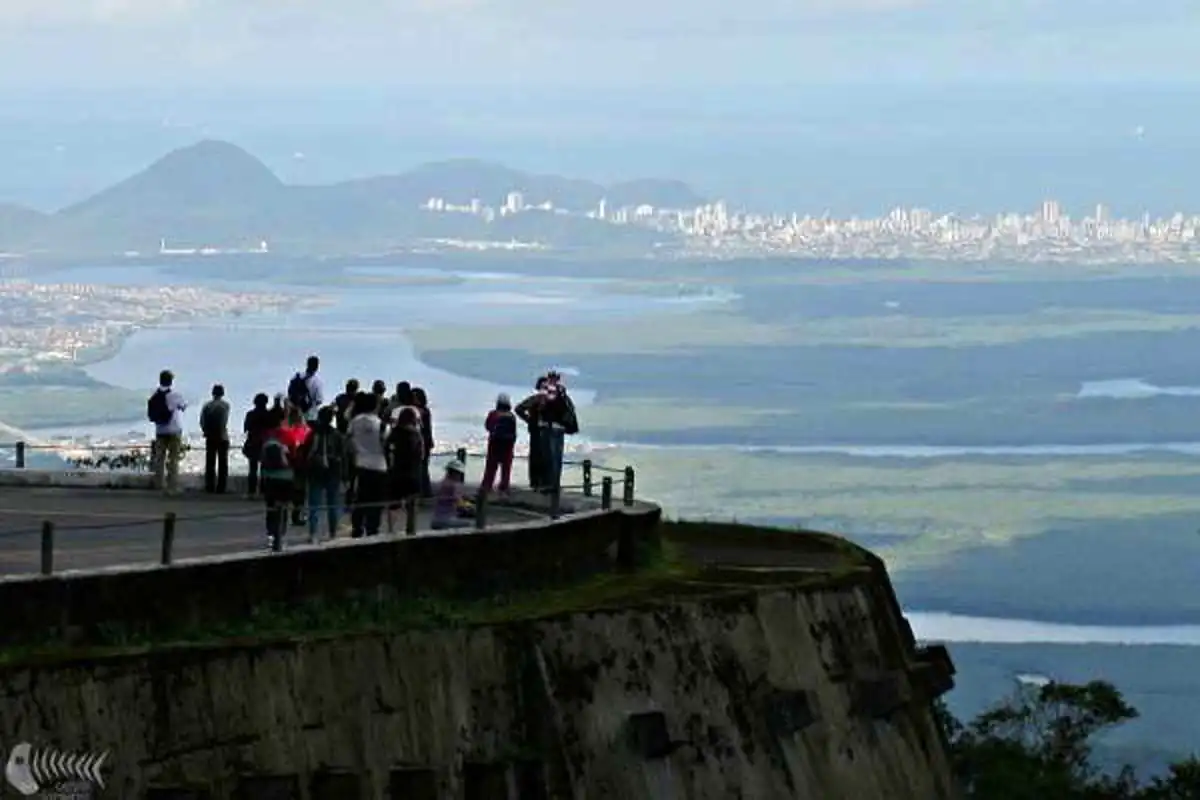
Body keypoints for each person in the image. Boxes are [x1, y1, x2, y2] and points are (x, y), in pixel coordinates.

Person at [298, 406, 344, 541]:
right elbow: (343, 455)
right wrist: (345, 475)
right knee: (333, 505)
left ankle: (313, 533)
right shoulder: (336, 434)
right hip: (333, 471)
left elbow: (305, 452)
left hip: (315, 471)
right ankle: (333, 533)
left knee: (314, 505)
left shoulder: (312, 434)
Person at [347, 392, 388, 537]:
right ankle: (372, 529)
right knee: (376, 501)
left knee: (360, 499)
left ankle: (357, 527)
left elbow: (349, 441)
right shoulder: (381, 424)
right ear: (376, 406)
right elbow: (386, 444)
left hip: (360, 463)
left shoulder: (355, 421)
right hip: (379, 465)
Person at [147, 369, 187, 495]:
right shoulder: (175, 395)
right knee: (173, 459)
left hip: (160, 430)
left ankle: (159, 483)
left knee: (160, 458)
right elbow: (183, 406)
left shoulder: (154, 394)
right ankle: (172, 487)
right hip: (174, 429)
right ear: (171, 381)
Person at [385, 406, 425, 531]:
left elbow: (387, 450)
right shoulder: (417, 435)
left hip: (396, 473)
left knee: (393, 506)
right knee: (411, 506)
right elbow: (422, 455)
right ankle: (411, 530)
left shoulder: (394, 433)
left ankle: (391, 531)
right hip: (413, 474)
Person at [259, 408, 294, 550]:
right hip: (285, 476)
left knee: (271, 508)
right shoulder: (288, 434)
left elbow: (261, 457)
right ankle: (281, 536)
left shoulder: (266, 435)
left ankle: (271, 536)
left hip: (268, 476)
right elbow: (294, 455)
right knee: (284, 508)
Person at [538, 381, 579, 493]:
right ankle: (554, 484)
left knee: (550, 458)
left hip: (551, 428)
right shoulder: (563, 396)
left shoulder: (549, 395)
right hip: (559, 429)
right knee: (555, 458)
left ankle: (549, 485)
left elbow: (543, 409)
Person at [278, 404, 312, 526]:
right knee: (300, 492)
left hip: (288, 463)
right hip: (302, 463)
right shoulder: (307, 431)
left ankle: (284, 516)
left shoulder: (285, 431)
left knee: (287, 492)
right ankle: (297, 515)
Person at [515, 376, 549, 490]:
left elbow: (519, 409)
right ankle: (536, 482)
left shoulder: (542, 400)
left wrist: (529, 420)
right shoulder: (535, 399)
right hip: (537, 431)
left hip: (543, 431)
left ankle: (542, 482)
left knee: (544, 457)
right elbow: (518, 409)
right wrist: (530, 420)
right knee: (537, 456)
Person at [481, 393, 518, 495]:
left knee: (490, 468)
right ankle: (504, 488)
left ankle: (486, 488)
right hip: (508, 447)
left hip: (494, 444)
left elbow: (487, 426)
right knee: (506, 469)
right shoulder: (512, 416)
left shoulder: (493, 414)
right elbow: (514, 433)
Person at [199, 383, 231, 494]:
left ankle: (209, 486)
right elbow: (224, 421)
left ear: (212, 393)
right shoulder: (225, 405)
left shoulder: (207, 406)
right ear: (222, 393)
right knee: (223, 462)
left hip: (210, 436)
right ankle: (221, 487)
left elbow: (202, 421)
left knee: (210, 462)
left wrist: (206, 431)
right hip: (222, 436)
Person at [242, 393, 273, 497]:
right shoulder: (269, 415)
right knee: (265, 468)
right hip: (265, 442)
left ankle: (251, 491)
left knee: (252, 468)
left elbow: (246, 428)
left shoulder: (250, 414)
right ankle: (263, 490)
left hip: (253, 442)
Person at [430, 460, 473, 530]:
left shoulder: (442, 483)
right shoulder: (455, 485)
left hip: (435, 519)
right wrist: (469, 507)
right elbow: (460, 504)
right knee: (470, 525)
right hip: (447, 520)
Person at [412, 386, 435, 497]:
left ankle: (424, 490)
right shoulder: (423, 411)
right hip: (422, 440)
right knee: (422, 467)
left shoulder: (423, 411)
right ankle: (424, 490)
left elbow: (427, 428)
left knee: (423, 467)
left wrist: (429, 441)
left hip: (423, 440)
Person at [287, 355, 324, 422]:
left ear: (307, 364)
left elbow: (289, 391)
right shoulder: (318, 382)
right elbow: (319, 400)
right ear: (317, 367)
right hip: (309, 416)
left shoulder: (297, 376)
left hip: (294, 413)